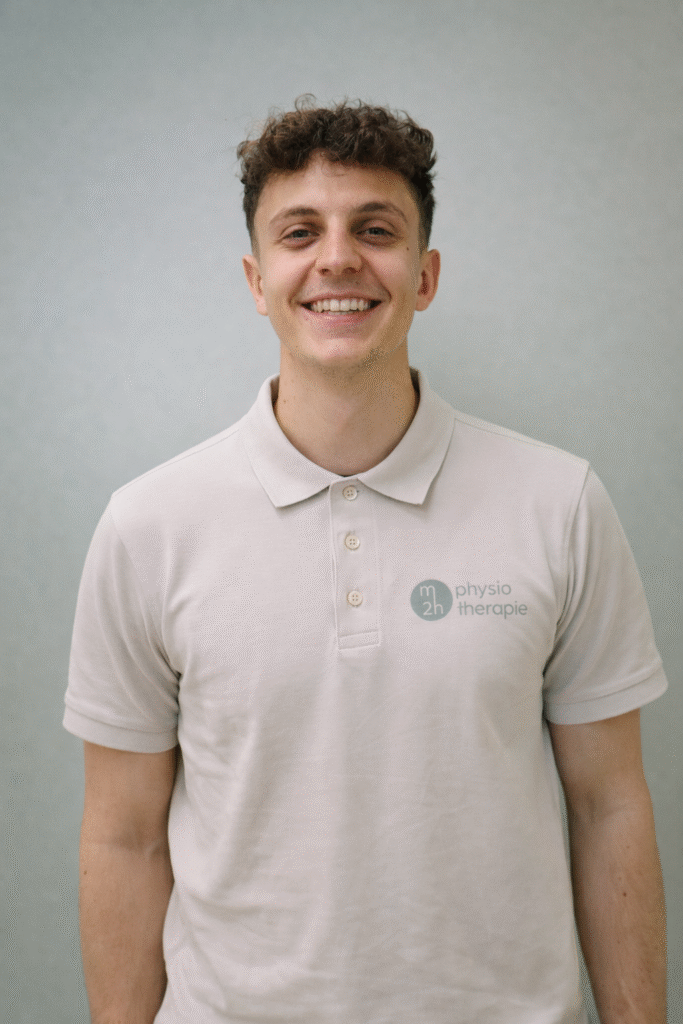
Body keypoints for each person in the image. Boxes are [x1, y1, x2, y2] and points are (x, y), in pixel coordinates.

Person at [64, 98, 668, 1024]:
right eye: (299, 232)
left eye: (375, 230)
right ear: (256, 278)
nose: (337, 259)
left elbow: (608, 806)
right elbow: (123, 837)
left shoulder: (560, 504)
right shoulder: (148, 526)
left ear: (424, 276)